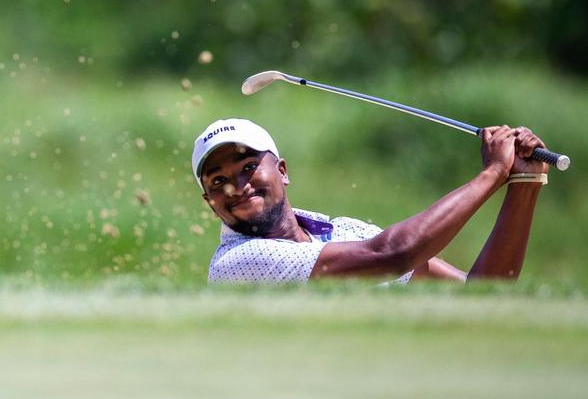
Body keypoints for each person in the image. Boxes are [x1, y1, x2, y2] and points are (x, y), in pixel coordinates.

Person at [191, 118, 549, 282]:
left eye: (249, 166)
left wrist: (525, 180)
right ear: (210, 202)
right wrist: (492, 174)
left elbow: (483, 297)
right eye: (218, 180)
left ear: (282, 170)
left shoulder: (346, 231)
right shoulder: (237, 262)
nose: (236, 187)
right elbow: (394, 254)